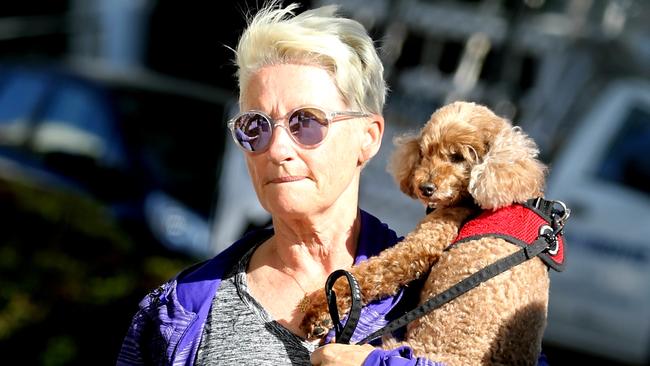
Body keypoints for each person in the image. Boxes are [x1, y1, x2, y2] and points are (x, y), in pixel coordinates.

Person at [116, 3, 543, 366]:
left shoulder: (444, 282)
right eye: (255, 126)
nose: (277, 148)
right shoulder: (176, 314)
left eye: (306, 122)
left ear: (368, 137)